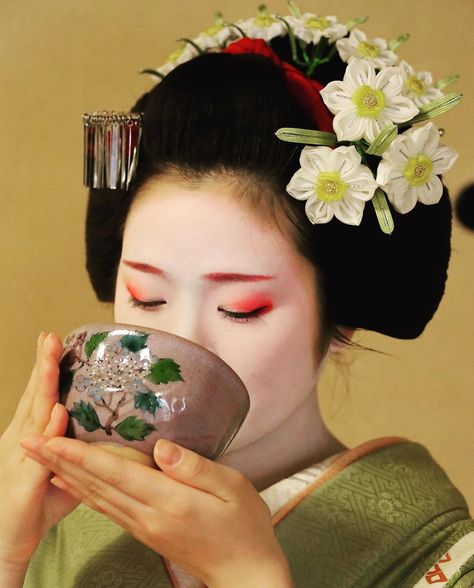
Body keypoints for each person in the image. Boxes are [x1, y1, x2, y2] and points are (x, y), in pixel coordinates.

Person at [1, 7, 473, 587]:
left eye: (241, 309)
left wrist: (248, 575)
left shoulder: (433, 552)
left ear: (341, 315)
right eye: (146, 297)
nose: (179, 342)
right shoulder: (63, 518)